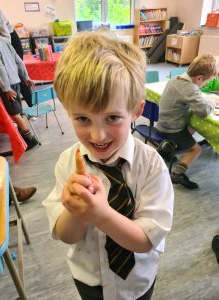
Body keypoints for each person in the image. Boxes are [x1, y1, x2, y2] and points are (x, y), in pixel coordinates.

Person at [43, 32, 174, 300]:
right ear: (68, 112)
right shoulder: (68, 164)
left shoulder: (151, 166)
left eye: (112, 117)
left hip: (137, 282)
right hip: (89, 280)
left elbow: (145, 240)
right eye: (82, 118)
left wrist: (101, 214)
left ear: (136, 111)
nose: (98, 136)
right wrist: (76, 210)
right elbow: (67, 236)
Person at [156, 53, 219, 190]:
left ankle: (167, 148)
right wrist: (212, 102)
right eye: (206, 82)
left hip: (162, 123)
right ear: (199, 78)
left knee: (192, 126)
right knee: (196, 149)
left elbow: (190, 96)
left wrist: (202, 97)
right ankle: (178, 173)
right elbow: (204, 111)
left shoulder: (176, 79)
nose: (205, 85)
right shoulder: (189, 88)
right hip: (172, 128)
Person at [0, 32, 38, 149]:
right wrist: (26, 77)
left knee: (14, 114)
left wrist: (6, 88)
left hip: (7, 85)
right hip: (15, 81)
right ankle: (26, 137)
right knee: (18, 111)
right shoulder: (3, 40)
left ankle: (30, 139)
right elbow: (18, 61)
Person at [0, 4, 33, 107]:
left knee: (15, 71)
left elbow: (5, 33)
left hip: (7, 38)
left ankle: (30, 105)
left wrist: (4, 46)